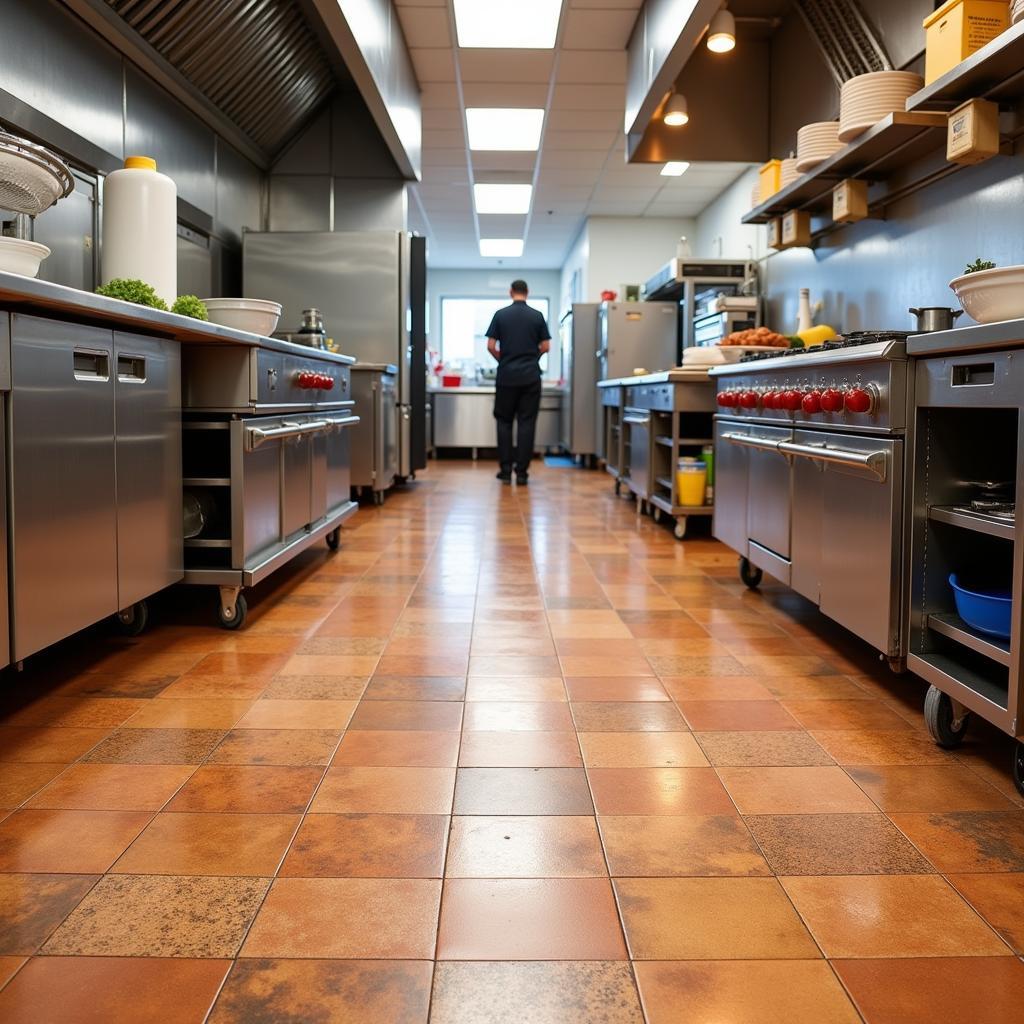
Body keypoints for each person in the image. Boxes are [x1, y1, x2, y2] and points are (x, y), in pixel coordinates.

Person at [485, 279, 552, 485]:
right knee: (527, 423)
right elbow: (546, 346)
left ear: (510, 292)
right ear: (527, 292)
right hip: (531, 377)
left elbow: (490, 345)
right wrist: (532, 359)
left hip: (506, 377)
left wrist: (503, 360)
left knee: (504, 422)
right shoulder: (537, 316)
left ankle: (505, 471)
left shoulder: (501, 315)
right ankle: (522, 473)